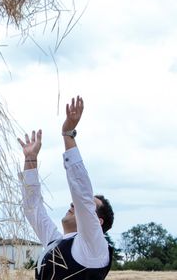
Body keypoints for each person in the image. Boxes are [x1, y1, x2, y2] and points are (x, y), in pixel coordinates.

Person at [18, 96, 114, 280]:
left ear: (97, 221)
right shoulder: (56, 243)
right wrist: (30, 159)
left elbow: (82, 194)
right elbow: (33, 209)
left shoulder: (94, 247)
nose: (73, 205)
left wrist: (68, 134)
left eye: (86, 207)